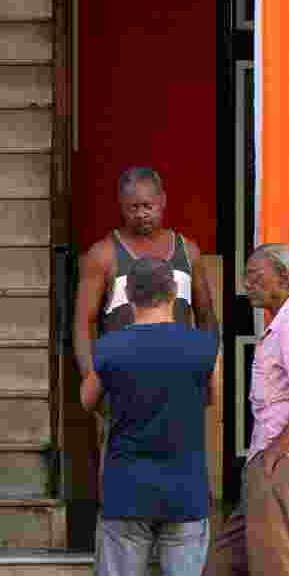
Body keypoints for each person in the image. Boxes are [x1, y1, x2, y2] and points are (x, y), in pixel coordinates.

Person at [81, 257, 219, 576]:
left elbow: (86, 400)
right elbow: (212, 397)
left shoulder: (111, 347)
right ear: (174, 292)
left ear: (127, 295)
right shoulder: (204, 347)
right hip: (186, 489)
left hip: (127, 488)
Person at [202, 244, 289, 576]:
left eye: (257, 277)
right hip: (268, 467)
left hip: (283, 466)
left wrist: (272, 456)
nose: (246, 284)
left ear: (285, 279)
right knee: (222, 570)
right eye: (246, 277)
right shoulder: (281, 325)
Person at [75, 166, 219, 484]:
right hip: (122, 384)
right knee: (119, 470)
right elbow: (84, 323)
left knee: (182, 465)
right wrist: (92, 379)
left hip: (180, 382)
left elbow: (206, 315)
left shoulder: (188, 251)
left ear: (163, 201)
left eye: (148, 206)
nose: (141, 214)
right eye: (133, 207)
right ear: (121, 207)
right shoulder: (103, 255)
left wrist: (207, 372)